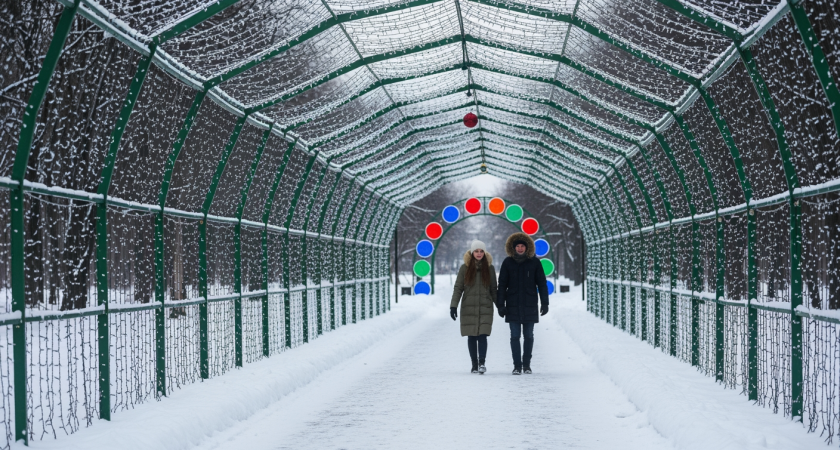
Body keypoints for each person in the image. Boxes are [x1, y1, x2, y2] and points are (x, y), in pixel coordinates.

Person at [496, 232, 549, 375]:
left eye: (522, 246)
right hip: (512, 305)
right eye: (517, 246)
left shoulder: (534, 262)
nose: (520, 248)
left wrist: (545, 303)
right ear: (513, 248)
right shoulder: (507, 262)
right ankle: (517, 366)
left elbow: (542, 284)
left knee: (529, 336)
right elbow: (502, 285)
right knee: (514, 336)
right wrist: (500, 305)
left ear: (527, 247)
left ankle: (526, 365)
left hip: (529, 305)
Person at [450, 240, 498, 374]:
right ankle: (474, 364)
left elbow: (494, 289)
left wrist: (500, 306)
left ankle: (482, 363)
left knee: (483, 335)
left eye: (481, 251)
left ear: (485, 252)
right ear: (472, 252)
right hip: (468, 308)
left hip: (485, 307)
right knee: (471, 336)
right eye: (476, 251)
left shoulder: (490, 268)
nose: (479, 253)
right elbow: (458, 288)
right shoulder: (464, 268)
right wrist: (453, 306)